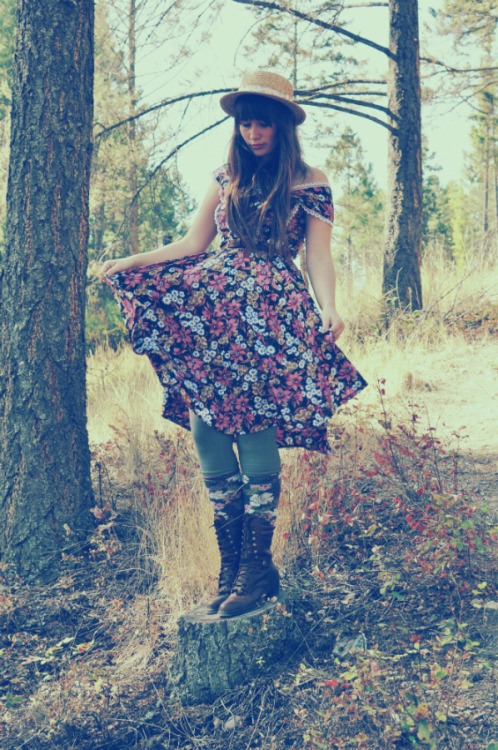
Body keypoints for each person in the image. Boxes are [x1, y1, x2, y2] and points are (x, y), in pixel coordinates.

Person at [101, 70, 367, 618]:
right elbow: (194, 242)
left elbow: (317, 254)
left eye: (262, 123)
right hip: (214, 313)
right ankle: (231, 567)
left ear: (283, 126)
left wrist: (331, 307)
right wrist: (131, 262)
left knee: (254, 423)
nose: (253, 133)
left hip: (269, 313)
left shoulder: (309, 182)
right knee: (207, 425)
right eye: (245, 123)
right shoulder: (226, 176)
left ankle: (255, 567)